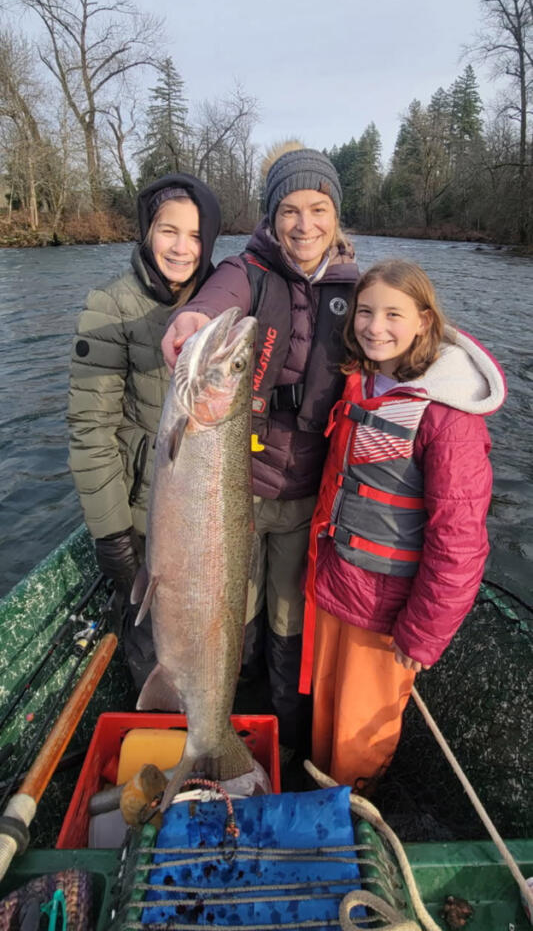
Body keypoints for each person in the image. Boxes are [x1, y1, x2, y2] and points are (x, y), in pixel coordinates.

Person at [161, 143, 360, 754]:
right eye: (290, 210)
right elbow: (216, 299)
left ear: (335, 215)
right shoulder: (247, 270)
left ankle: (285, 731)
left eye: (319, 209)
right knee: (230, 616)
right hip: (235, 494)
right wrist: (194, 319)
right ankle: (226, 720)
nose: (305, 225)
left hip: (308, 498)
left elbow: (404, 337)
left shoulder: (359, 288)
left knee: (288, 618)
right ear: (271, 217)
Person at [298, 259, 507, 791]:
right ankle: (321, 795)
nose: (375, 326)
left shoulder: (448, 417)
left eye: (394, 313)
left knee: (360, 736)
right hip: (337, 584)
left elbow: (459, 543)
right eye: (365, 312)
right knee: (326, 715)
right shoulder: (362, 380)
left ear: (424, 320)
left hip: (388, 613)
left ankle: (357, 820)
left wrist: (422, 634)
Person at [67, 173, 221, 689]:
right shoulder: (109, 306)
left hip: (210, 520)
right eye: (167, 231)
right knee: (150, 648)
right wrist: (111, 533)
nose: (181, 248)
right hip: (142, 517)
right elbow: (91, 430)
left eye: (196, 236)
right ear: (146, 233)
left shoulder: (222, 305)